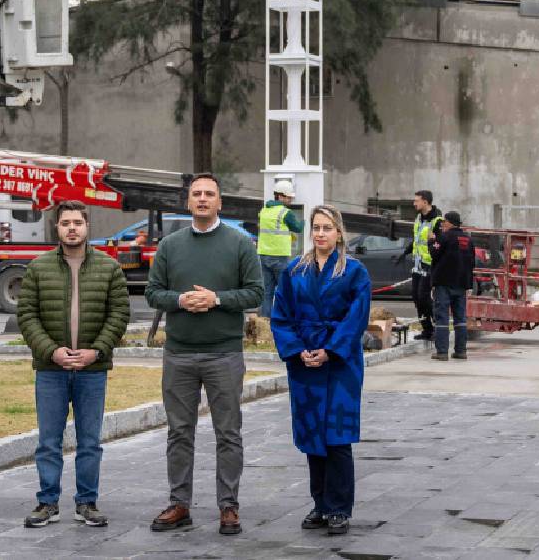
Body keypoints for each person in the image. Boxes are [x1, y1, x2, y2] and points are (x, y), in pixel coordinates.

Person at [145, 173, 263, 536]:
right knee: (179, 432)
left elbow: (256, 293)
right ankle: (179, 503)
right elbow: (153, 293)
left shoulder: (240, 244)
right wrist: (180, 300)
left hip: (223, 355)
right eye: (196, 194)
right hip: (179, 354)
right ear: (187, 202)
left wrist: (218, 299)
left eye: (209, 194)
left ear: (219, 203)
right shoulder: (170, 245)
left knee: (228, 433)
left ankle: (229, 506)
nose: (202, 199)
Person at [18, 201, 130, 529]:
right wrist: (50, 351)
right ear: (57, 227)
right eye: (65, 222)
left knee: (90, 441)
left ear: (87, 226)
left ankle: (87, 503)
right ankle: (47, 502)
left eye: (77, 222)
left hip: (92, 371)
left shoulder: (109, 268)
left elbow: (119, 314)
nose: (71, 228)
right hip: (51, 370)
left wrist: (97, 351)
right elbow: (26, 315)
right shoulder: (38, 268)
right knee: (48, 441)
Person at [270, 204, 370, 536]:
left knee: (337, 437)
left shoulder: (354, 271)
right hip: (305, 363)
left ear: (339, 232)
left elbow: (356, 317)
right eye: (316, 227)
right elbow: (281, 315)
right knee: (313, 434)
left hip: (340, 363)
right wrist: (299, 351)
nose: (320, 233)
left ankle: (339, 507)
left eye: (327, 228)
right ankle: (320, 504)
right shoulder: (294, 270)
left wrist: (330, 351)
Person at [429, 211, 475, 361]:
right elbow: (472, 262)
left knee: (442, 316)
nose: (442, 224)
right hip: (461, 284)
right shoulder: (468, 240)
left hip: (444, 283)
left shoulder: (444, 237)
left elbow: (434, 253)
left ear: (449, 223)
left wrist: (431, 241)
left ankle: (442, 352)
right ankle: (461, 351)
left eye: (444, 222)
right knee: (460, 318)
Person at [398, 190, 442, 339]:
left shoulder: (437, 221)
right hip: (417, 265)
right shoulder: (418, 218)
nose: (414, 203)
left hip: (430, 265)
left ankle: (437, 324)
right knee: (416, 298)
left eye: (417, 200)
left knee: (424, 297)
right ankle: (427, 330)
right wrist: (405, 252)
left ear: (425, 202)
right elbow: (417, 240)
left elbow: (439, 245)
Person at [257, 180, 304, 319]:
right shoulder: (286, 212)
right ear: (280, 196)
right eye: (288, 197)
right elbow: (298, 228)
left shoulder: (263, 211)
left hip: (264, 255)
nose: (290, 200)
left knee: (267, 292)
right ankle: (284, 319)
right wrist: (304, 221)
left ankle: (265, 321)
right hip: (279, 257)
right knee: (284, 290)